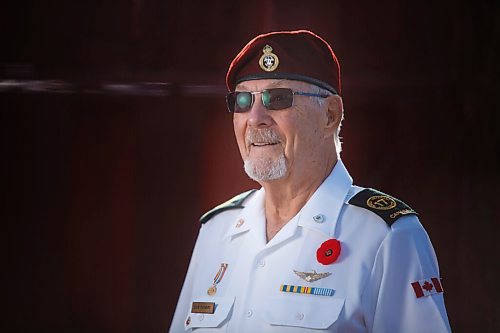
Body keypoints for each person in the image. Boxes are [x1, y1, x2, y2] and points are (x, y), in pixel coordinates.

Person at [169, 30, 451, 333]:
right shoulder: (217, 230)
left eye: (277, 98)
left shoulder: (387, 236)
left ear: (330, 115)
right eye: (242, 100)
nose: (255, 118)